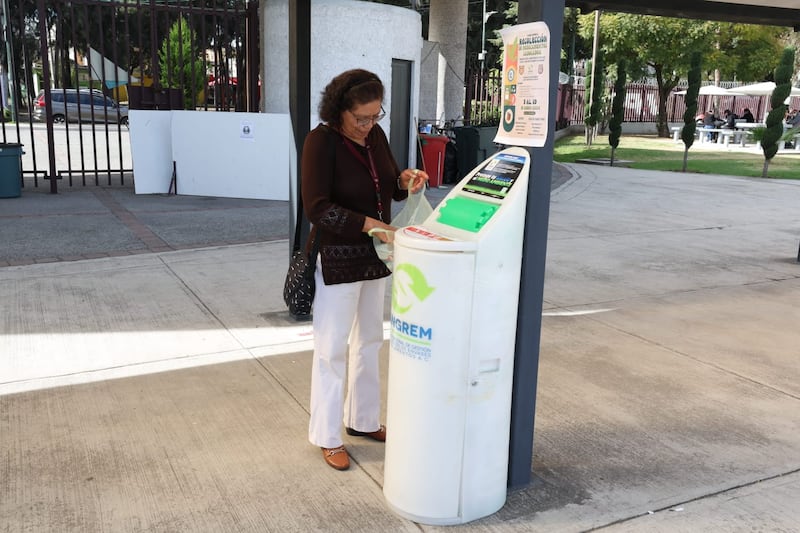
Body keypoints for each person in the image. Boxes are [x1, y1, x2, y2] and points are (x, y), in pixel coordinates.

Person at [301, 69, 429, 471]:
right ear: (340, 111)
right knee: (332, 347)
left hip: (375, 255)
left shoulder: (375, 138)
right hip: (338, 257)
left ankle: (364, 419)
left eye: (376, 116)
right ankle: (326, 433)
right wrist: (369, 224)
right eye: (361, 118)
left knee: (370, 338)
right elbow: (317, 207)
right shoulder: (320, 142)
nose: (369, 125)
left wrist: (406, 179)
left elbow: (387, 184)